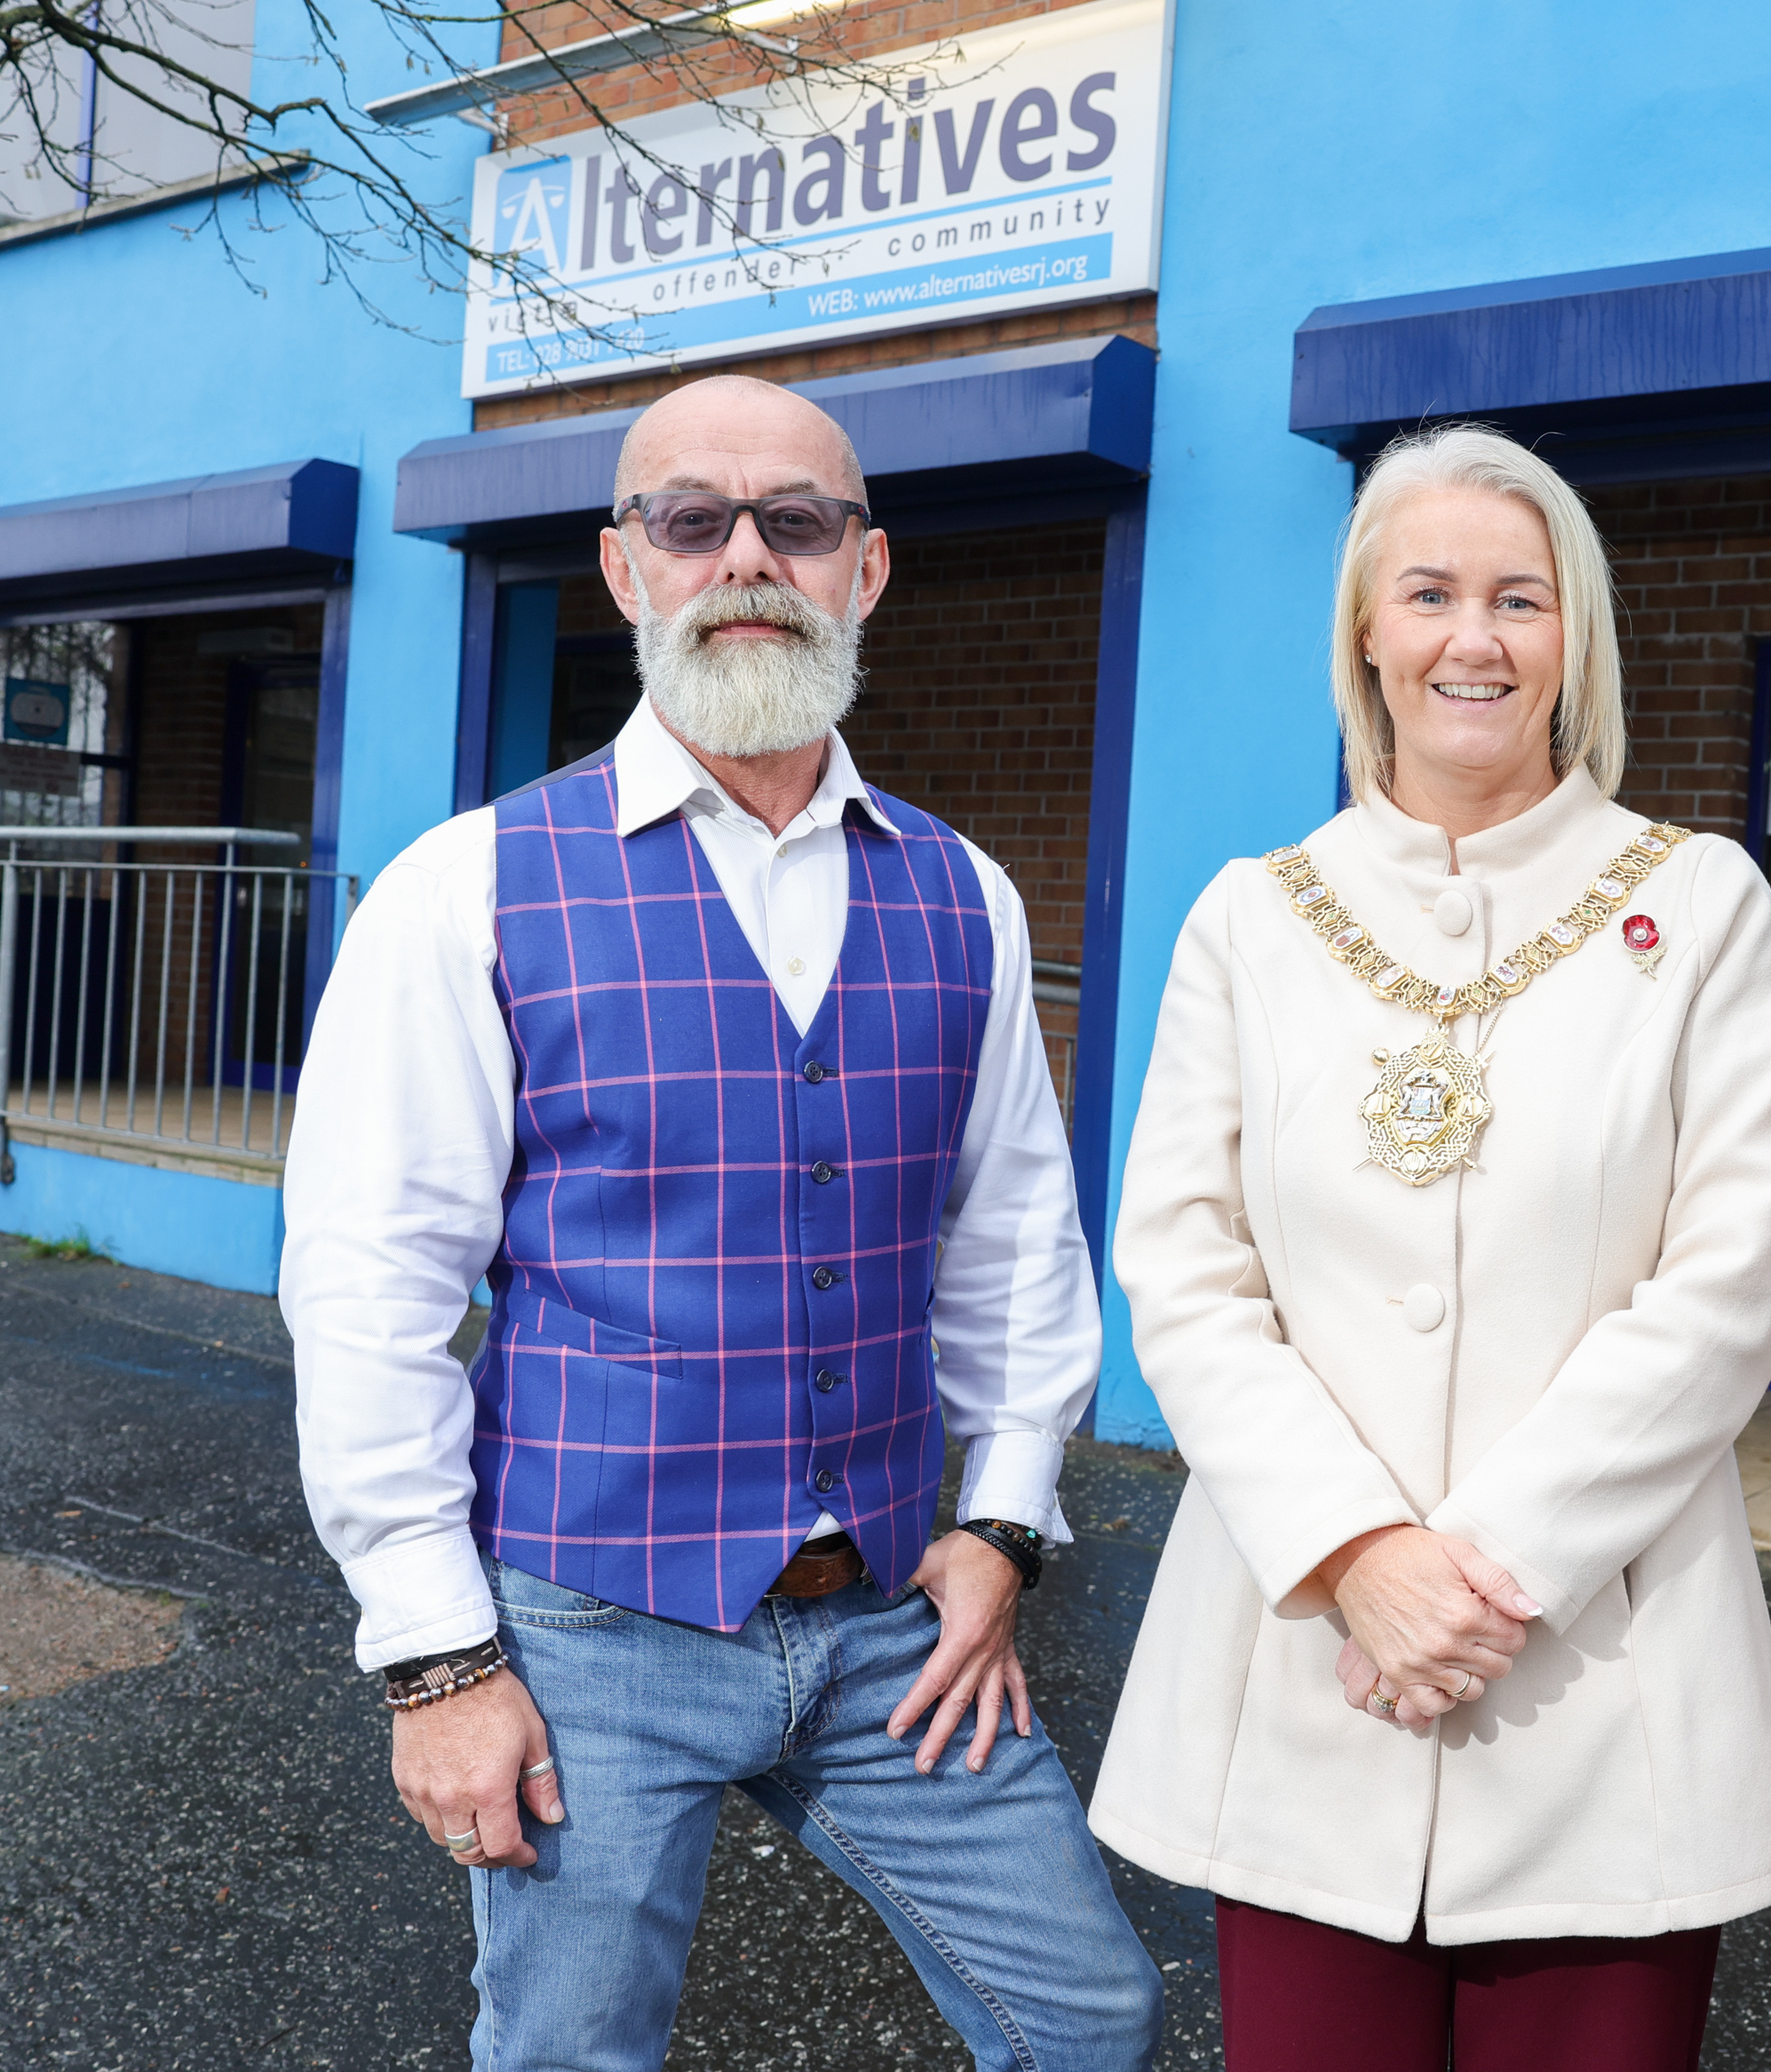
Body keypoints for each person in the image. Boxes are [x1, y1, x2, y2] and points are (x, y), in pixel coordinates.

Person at [282, 374, 1161, 2070]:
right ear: (627, 568)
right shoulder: (471, 884)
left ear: (866, 569)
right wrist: (437, 1660)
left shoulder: (959, 889)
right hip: (587, 1622)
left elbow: (1012, 1243)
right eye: (692, 519)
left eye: (798, 521)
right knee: (571, 2053)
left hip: (890, 1614)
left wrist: (1006, 1525)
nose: (746, 558)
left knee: (1089, 2012)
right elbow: (371, 1289)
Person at [1091, 425, 1771, 2070]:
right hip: (1310, 1668)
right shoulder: (1252, 917)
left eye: (1519, 598)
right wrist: (1361, 1555)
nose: (1472, 638)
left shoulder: (1703, 906)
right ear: (1366, 630)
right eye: (1428, 593)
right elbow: (1185, 1271)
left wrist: (1478, 1573)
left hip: (1601, 1679)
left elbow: (1722, 1289)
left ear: (1576, 637)